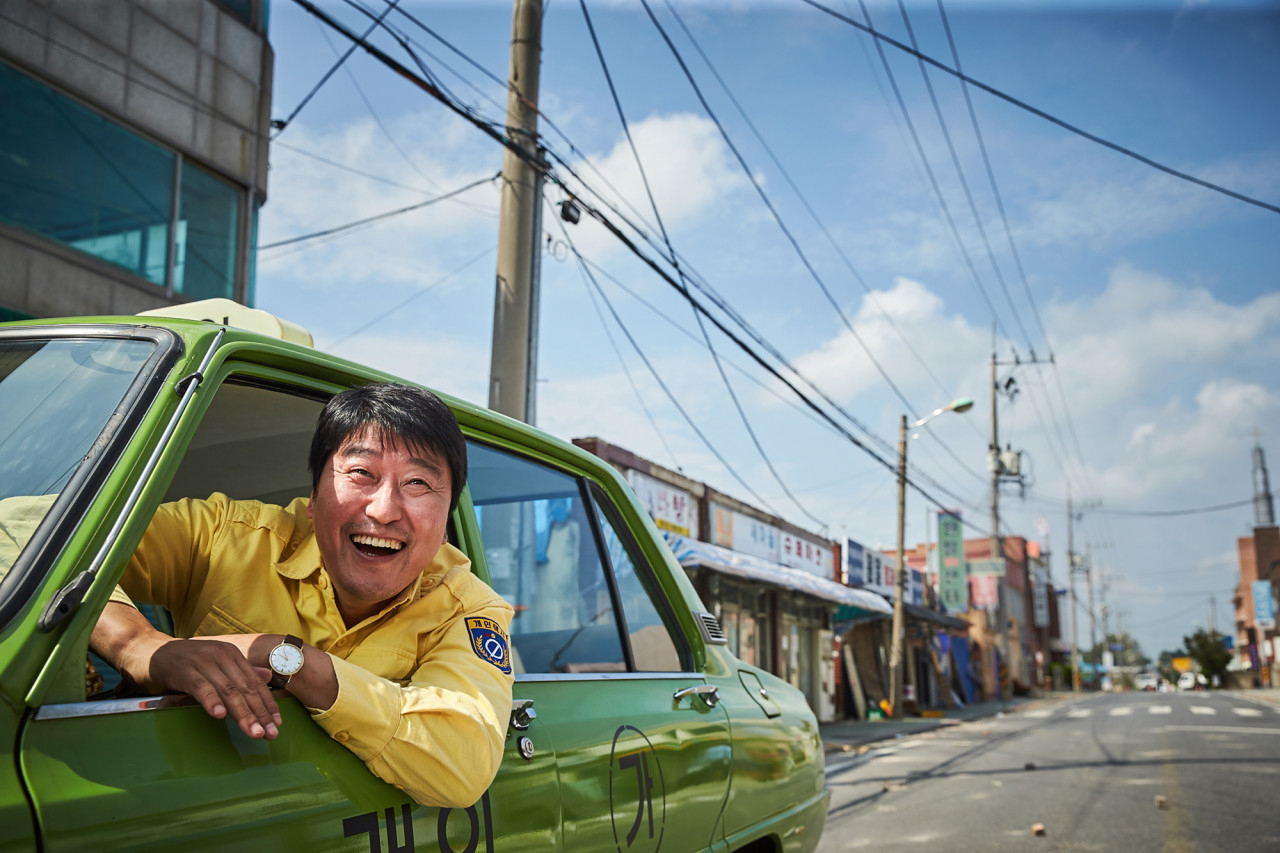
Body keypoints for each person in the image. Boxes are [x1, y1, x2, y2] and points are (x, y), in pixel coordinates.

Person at [90, 382, 514, 808]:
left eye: (418, 483)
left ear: (444, 527)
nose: (383, 510)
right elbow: (30, 531)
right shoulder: (224, 537)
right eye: (361, 473)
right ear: (312, 497)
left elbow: (463, 767)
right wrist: (138, 645)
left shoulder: (470, 608)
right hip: (189, 811)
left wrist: (287, 658)